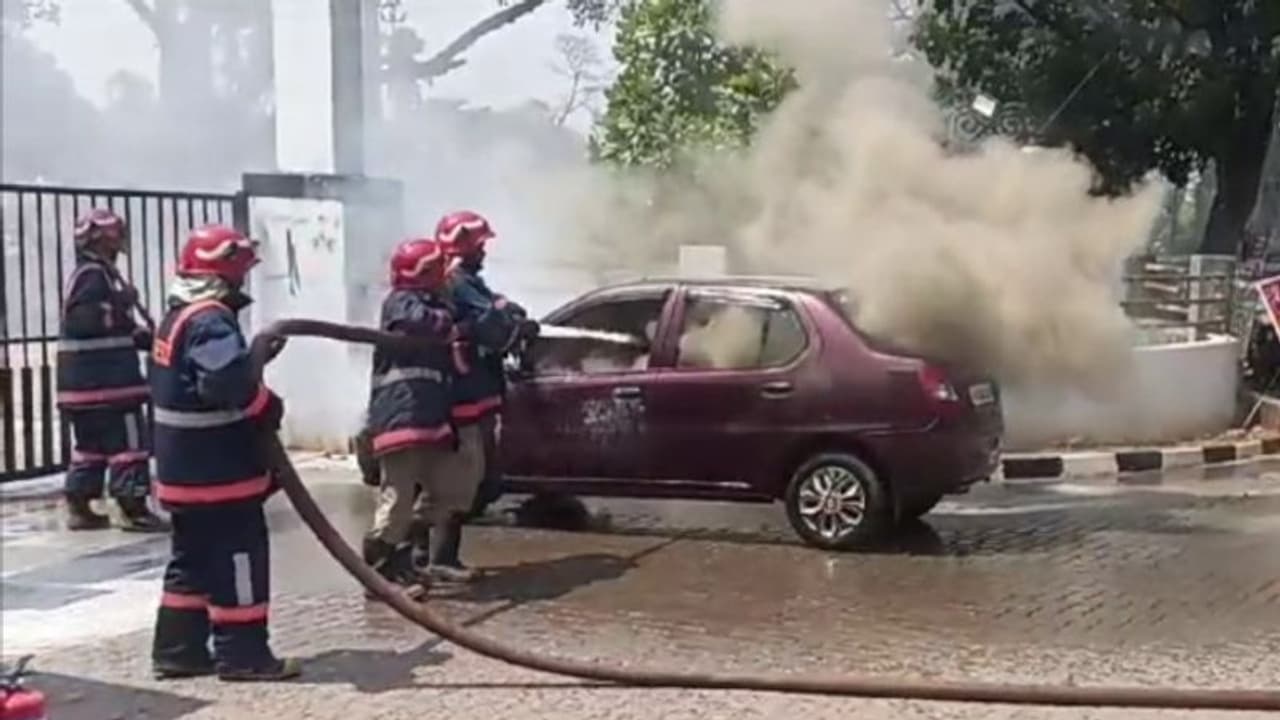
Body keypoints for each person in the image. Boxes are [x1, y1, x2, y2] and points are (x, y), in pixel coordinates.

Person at [149, 224, 300, 682]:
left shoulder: (178, 314)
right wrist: (266, 405)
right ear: (223, 273)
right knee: (239, 559)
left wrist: (253, 360)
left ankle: (178, 651)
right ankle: (244, 655)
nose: (244, 279)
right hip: (218, 473)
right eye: (239, 270)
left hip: (183, 473)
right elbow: (224, 384)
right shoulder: (210, 319)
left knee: (191, 560)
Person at [418, 210, 539, 578]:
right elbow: (492, 328)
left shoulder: (467, 281)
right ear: (463, 248)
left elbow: (494, 314)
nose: (484, 252)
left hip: (479, 394)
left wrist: (510, 313)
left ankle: (432, 556)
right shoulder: (456, 282)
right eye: (480, 246)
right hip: (464, 397)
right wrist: (514, 326)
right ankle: (425, 555)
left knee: (475, 482)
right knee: (462, 481)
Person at [363, 237, 485, 591]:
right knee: (397, 498)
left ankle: (403, 553)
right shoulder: (401, 302)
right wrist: (451, 321)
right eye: (438, 269)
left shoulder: (430, 302)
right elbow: (423, 322)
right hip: (401, 419)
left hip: (428, 419)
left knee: (450, 491)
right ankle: (380, 576)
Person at [56, 208, 167, 532]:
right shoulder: (92, 276)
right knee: (128, 446)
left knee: (90, 447)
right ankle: (132, 508)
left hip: (85, 387)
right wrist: (124, 301)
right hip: (108, 384)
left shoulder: (93, 275)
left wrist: (151, 339)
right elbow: (89, 322)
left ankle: (80, 505)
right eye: (115, 239)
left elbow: (117, 328)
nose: (119, 246)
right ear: (103, 240)